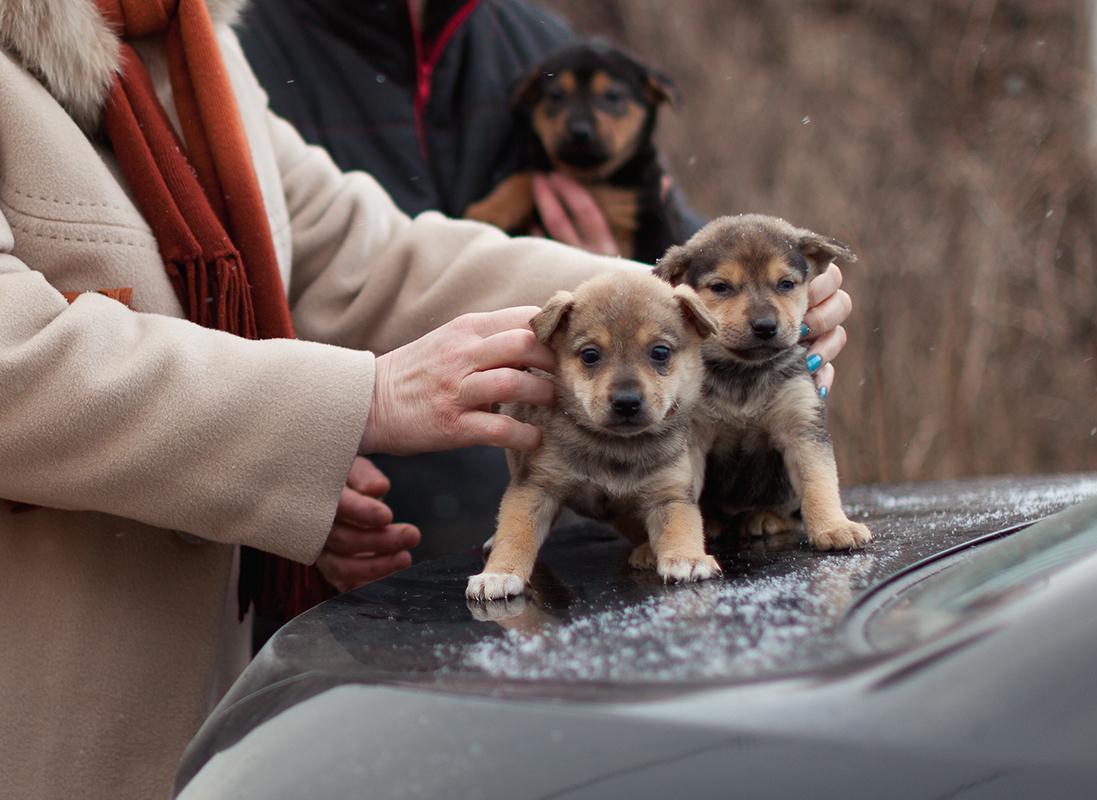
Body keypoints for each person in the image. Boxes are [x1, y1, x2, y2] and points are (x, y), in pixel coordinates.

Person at [0, 0, 632, 797]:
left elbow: (363, 258)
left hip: (212, 732)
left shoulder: (190, 41)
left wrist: (683, 306)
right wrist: (362, 400)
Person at [235, 0, 854, 561]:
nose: (583, 123)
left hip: (581, 511)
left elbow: (665, 220)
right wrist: (303, 436)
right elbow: (293, 270)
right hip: (360, 508)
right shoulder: (240, 42)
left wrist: (692, 305)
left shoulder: (537, 40)